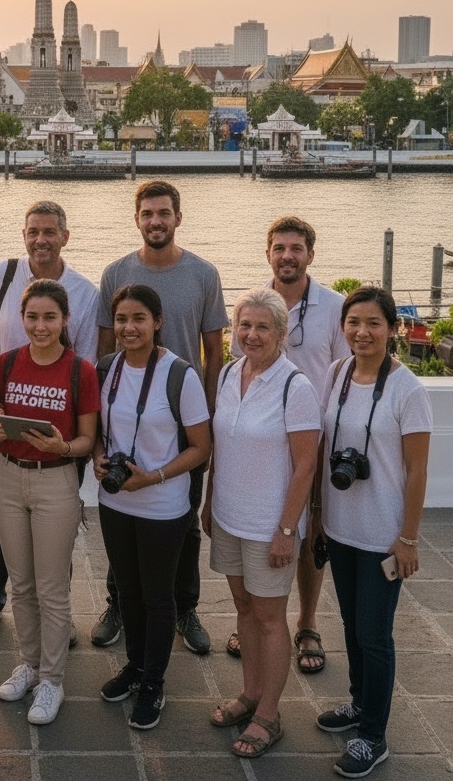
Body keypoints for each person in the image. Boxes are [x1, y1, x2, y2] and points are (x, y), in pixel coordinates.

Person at [95, 180, 228, 655]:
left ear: (177, 218)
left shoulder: (203, 274)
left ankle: (184, 606)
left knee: (185, 522)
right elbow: (104, 348)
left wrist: (207, 418)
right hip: (125, 420)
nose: (156, 221)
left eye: (164, 213)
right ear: (137, 219)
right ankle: (118, 601)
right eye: (148, 213)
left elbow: (214, 351)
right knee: (121, 509)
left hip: (182, 415)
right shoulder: (115, 273)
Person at [0, 200, 99, 644]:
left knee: (57, 527)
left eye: (50, 232)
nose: (41, 240)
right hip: (3, 420)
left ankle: (56, 614)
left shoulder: (84, 292)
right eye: (33, 231)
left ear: (65, 236)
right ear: (24, 235)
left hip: (56, 434)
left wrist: (76, 437)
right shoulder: (1, 275)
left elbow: (88, 361)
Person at [313, 287, 431, 778]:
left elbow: (417, 471)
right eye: (353, 322)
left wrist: (407, 538)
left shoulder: (408, 390)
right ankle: (360, 705)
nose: (361, 332)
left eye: (373, 324)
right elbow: (324, 447)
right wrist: (318, 513)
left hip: (383, 534)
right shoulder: (337, 374)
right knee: (350, 628)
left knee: (374, 635)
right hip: (341, 528)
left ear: (392, 329)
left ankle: (373, 736)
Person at [202, 288, 320, 758]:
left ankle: (268, 716)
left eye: (262, 327)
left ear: (281, 333)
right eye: (244, 326)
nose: (251, 335)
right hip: (230, 516)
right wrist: (210, 502)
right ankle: (249, 694)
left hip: (270, 524)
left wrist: (287, 530)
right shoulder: (230, 373)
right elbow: (222, 447)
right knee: (244, 608)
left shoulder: (297, 387)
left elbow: (305, 467)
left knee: (271, 618)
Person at [226, 216, 347, 670]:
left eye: (296, 248)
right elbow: (243, 366)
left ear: (310, 255)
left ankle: (308, 623)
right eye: (279, 248)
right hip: (258, 441)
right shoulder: (254, 307)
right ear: (268, 253)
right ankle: (259, 620)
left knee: (308, 530)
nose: (287, 256)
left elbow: (342, 376)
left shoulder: (334, 307)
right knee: (260, 531)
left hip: (310, 441)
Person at [95, 285, 211, 730]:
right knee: (127, 590)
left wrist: (156, 475)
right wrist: (96, 459)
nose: (129, 328)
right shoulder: (107, 368)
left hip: (163, 504)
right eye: (121, 319)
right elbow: (99, 431)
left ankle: (153, 683)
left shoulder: (180, 375)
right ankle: (135, 666)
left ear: (157, 322)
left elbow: (201, 447)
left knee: (158, 596)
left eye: (139, 318)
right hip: (115, 499)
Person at [0, 280, 99, 725]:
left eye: (50, 317)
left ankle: (52, 679)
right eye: (32, 317)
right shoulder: (7, 362)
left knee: (51, 589)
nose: (40, 325)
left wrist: (63, 448)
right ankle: (29, 664)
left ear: (65, 320)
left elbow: (88, 439)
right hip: (8, 478)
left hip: (55, 481)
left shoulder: (80, 370)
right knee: (21, 583)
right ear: (22, 317)